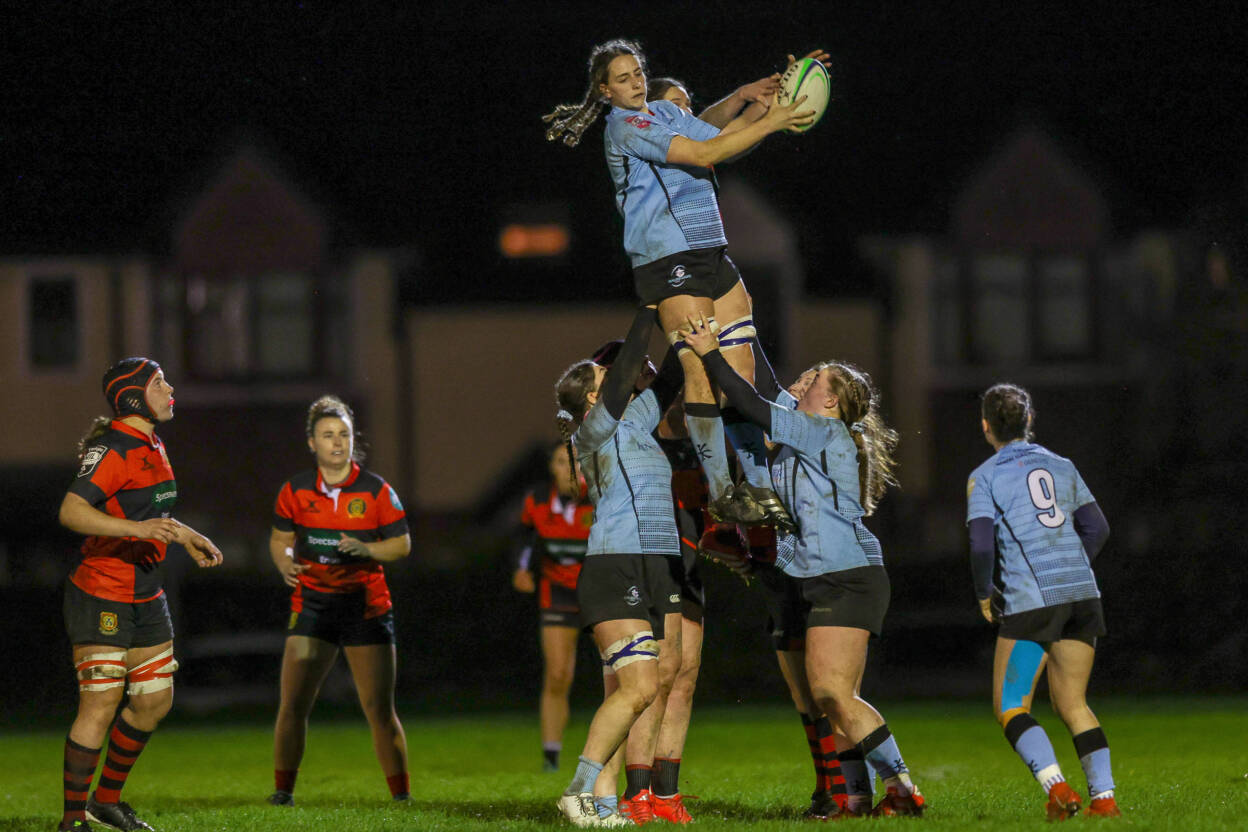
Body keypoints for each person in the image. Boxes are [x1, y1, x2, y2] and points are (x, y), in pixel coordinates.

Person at [544, 39, 815, 531]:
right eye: (622, 78)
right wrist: (771, 119)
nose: (634, 82)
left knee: (740, 373)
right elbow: (708, 149)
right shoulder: (626, 126)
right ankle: (722, 490)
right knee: (698, 369)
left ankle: (755, 482)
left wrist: (760, 99)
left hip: (710, 251)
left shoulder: (662, 113)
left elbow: (718, 134)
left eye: (638, 72)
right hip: (667, 258)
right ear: (604, 90)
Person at [683, 317, 925, 817]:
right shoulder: (806, 437)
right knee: (833, 698)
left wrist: (709, 352)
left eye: (814, 382)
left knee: (831, 692)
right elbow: (758, 400)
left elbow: (753, 402)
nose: (803, 384)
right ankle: (855, 800)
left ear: (831, 400)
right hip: (825, 577)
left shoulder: (825, 432)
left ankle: (901, 788)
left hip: (847, 577)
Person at [56, 357, 223, 832]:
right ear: (132, 396)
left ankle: (105, 802)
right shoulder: (111, 449)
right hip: (103, 592)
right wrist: (137, 528)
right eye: (159, 383)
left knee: (154, 700)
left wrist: (185, 534)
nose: (171, 389)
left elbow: (149, 510)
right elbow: (71, 511)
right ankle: (72, 821)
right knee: (101, 704)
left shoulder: (152, 441)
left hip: (146, 593)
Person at [553, 308, 687, 828]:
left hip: (656, 562)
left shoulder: (633, 418)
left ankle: (603, 802)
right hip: (616, 564)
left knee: (641, 690)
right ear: (592, 396)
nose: (625, 376)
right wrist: (649, 309)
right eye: (607, 377)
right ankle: (580, 791)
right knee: (636, 690)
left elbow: (670, 377)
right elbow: (633, 358)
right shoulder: (594, 427)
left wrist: (688, 324)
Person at [966, 384, 1119, 819]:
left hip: (1033, 601)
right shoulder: (1062, 464)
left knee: (1010, 705)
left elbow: (980, 544)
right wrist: (1071, 566)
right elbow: (1098, 528)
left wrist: (983, 593)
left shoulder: (986, 474)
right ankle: (1104, 801)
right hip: (1082, 594)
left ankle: (1058, 789)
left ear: (985, 425)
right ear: (1029, 421)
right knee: (1074, 704)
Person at [268, 395, 412, 806]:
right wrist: (284, 564)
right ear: (311, 442)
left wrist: (367, 550)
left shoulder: (375, 489)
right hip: (312, 604)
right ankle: (282, 793)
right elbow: (280, 540)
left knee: (379, 709)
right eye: (328, 435)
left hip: (366, 607)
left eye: (344, 434)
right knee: (293, 703)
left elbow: (401, 545)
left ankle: (401, 798)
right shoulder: (294, 490)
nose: (337, 442)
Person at [511, 443, 595, 772]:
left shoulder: (601, 499)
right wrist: (521, 570)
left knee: (617, 674)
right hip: (557, 591)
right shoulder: (537, 502)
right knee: (558, 674)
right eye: (562, 461)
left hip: (596, 592)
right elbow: (523, 540)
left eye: (576, 461)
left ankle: (620, 752)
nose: (570, 468)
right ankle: (551, 757)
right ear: (552, 468)